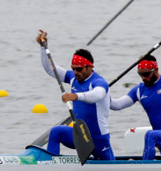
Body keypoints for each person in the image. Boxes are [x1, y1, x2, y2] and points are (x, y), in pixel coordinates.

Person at [110, 28, 161, 160]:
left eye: (146, 74)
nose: (143, 78)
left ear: (156, 70)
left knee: (150, 135)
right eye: (140, 74)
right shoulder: (139, 91)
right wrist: (102, 94)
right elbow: (116, 105)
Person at [36, 30, 114, 160]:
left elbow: (98, 95)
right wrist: (43, 48)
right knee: (56, 132)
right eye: (73, 68)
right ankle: (50, 165)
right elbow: (51, 70)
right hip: (80, 136)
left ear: (90, 67)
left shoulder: (99, 82)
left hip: (98, 139)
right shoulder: (73, 78)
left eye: (79, 69)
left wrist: (77, 96)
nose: (75, 72)